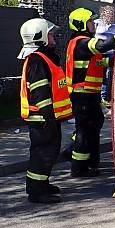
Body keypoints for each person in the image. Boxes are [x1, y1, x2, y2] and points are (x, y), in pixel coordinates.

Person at [18, 18, 73, 204]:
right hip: (42, 117)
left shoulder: (42, 57)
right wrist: (48, 117)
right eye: (50, 34)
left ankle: (42, 183)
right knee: (43, 153)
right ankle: (36, 191)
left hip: (46, 117)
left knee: (48, 151)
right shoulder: (37, 60)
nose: (54, 38)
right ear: (40, 36)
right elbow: (40, 92)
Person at [65, 7, 115, 177]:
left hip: (89, 95)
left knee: (94, 125)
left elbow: (101, 62)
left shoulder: (85, 46)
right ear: (81, 25)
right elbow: (103, 45)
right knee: (85, 130)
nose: (94, 25)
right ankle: (79, 167)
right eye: (90, 22)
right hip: (82, 95)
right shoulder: (81, 42)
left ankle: (90, 160)